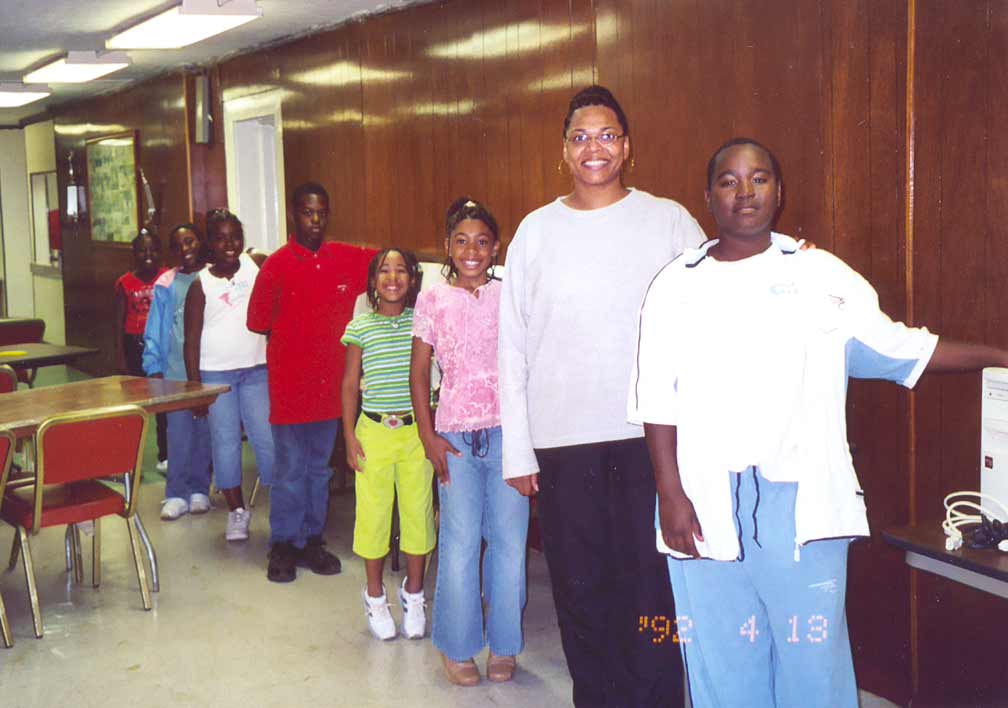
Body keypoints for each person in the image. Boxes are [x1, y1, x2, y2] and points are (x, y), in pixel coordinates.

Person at [629, 137, 1008, 708]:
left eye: (759, 178)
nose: (745, 191)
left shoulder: (820, 274)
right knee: (723, 657)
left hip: (801, 506)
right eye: (729, 181)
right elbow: (656, 398)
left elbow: (902, 348)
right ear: (708, 196)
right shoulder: (675, 283)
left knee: (813, 661)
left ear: (780, 192)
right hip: (702, 502)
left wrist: (998, 354)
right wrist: (670, 494)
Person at [497, 85, 702, 706]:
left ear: (627, 146)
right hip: (562, 443)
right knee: (582, 589)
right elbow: (513, 345)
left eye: (607, 135)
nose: (595, 148)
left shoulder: (667, 219)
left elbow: (706, 310)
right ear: (564, 149)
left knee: (652, 589)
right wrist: (518, 453)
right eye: (581, 136)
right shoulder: (536, 231)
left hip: (651, 439)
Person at [414, 198, 529, 686]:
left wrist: (528, 440)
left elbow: (527, 364)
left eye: (482, 241)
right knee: (460, 544)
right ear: (447, 246)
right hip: (454, 438)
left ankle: (504, 645)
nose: (472, 250)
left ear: (495, 246)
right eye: (461, 241)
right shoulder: (433, 299)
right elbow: (419, 373)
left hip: (508, 435)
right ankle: (458, 647)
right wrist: (428, 436)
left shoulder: (509, 296)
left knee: (509, 543)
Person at [247, 182, 377, 582]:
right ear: (293, 215)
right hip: (289, 390)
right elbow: (256, 321)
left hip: (330, 391)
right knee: (289, 469)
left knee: (319, 468)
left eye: (321, 212)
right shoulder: (278, 265)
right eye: (307, 212)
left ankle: (311, 541)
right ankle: (284, 544)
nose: (315, 220)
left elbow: (392, 263)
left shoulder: (345, 258)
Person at [341, 248, 435, 641]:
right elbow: (349, 385)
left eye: (401, 271)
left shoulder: (423, 322)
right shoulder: (360, 326)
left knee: (418, 513)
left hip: (417, 433)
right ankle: (376, 595)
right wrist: (349, 435)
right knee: (374, 516)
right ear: (372, 281)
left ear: (413, 280)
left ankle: (414, 594)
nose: (392, 277)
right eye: (384, 270)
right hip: (374, 433)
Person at [183, 209, 274, 542]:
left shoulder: (257, 265)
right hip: (216, 374)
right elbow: (191, 341)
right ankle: (236, 511)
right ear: (210, 242)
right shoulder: (200, 284)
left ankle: (282, 509)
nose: (230, 244)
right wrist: (196, 389)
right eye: (220, 237)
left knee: (266, 439)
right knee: (225, 443)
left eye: (235, 236)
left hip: (256, 370)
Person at [143, 223, 213, 521]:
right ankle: (176, 492)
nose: (186, 249)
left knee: (204, 432)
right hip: (174, 371)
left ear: (200, 242)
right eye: (179, 245)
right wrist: (153, 366)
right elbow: (155, 329)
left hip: (209, 368)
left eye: (191, 241)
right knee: (179, 433)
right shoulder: (165, 283)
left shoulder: (212, 277)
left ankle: (200, 489)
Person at [116, 230, 167, 469]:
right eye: (142, 250)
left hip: (160, 346)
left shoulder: (168, 277)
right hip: (134, 344)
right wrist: (121, 358)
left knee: (164, 402)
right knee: (136, 406)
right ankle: (130, 461)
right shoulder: (125, 282)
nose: (148, 255)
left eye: (152, 249)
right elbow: (118, 321)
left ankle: (165, 454)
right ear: (134, 254)